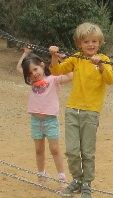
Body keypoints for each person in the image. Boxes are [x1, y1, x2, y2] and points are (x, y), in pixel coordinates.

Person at [48, 22, 113, 198]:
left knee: (87, 151)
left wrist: (100, 65)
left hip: (91, 112)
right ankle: (77, 179)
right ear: (79, 44)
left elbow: (109, 79)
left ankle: (87, 184)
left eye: (94, 41)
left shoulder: (104, 59)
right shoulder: (76, 58)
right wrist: (54, 55)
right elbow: (57, 70)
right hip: (72, 110)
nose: (90, 45)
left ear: (99, 42)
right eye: (86, 42)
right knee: (71, 150)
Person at [17, 47, 72, 186]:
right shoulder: (32, 82)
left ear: (42, 65)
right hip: (36, 121)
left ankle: (62, 177)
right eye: (30, 72)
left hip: (50, 120)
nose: (34, 74)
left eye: (35, 69)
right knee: (38, 150)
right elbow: (18, 67)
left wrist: (63, 61)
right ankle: (41, 174)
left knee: (55, 149)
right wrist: (25, 53)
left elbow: (71, 75)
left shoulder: (53, 79)